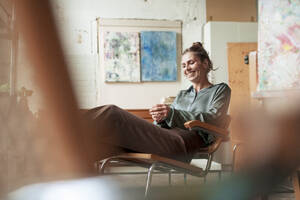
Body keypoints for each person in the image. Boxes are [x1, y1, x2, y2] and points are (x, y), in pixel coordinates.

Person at [84, 42, 231, 163]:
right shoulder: (182, 95)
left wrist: (172, 113)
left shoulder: (220, 90)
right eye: (184, 65)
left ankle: (67, 126)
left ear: (205, 64)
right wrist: (160, 119)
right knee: (102, 145)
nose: (186, 69)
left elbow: (214, 119)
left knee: (112, 114)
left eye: (191, 63)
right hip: (164, 137)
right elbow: (167, 122)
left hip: (181, 143)